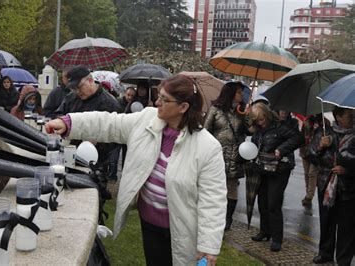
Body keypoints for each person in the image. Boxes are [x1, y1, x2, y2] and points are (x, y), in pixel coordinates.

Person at [45, 74, 227, 265]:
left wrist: (209, 246)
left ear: (183, 107)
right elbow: (109, 123)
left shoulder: (207, 147)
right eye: (159, 96)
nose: (157, 102)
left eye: (164, 99)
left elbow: (213, 201)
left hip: (180, 229)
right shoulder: (147, 119)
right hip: (149, 223)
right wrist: (68, 123)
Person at [248, 103, 303, 252]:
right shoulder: (257, 130)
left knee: (273, 203)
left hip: (279, 169)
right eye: (258, 120)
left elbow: (298, 138)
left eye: (262, 118)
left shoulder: (279, 126)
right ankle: (265, 231)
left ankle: (277, 239)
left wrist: (281, 150)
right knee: (262, 201)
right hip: (263, 168)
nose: (261, 122)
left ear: (267, 114)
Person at [55, 65, 122, 176]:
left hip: (97, 162)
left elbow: (117, 137)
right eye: (73, 88)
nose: (77, 91)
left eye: (79, 87)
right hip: (69, 156)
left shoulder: (110, 104)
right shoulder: (71, 98)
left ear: (90, 80)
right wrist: (60, 123)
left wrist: (98, 142)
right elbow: (59, 113)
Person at [310, 107, 354, 265]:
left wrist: (347, 170)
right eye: (350, 116)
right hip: (326, 184)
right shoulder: (325, 132)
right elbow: (312, 156)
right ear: (338, 117)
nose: (353, 119)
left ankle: (343, 260)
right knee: (327, 221)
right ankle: (325, 253)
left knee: (347, 227)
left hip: (349, 188)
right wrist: (321, 146)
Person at [204, 81, 248, 231]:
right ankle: (213, 216)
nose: (242, 95)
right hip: (217, 156)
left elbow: (250, 131)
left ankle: (227, 218)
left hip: (235, 157)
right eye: (239, 92)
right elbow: (205, 131)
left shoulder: (242, 112)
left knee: (231, 188)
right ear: (231, 94)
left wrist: (249, 117)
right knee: (214, 188)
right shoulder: (215, 110)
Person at [299, 114, 327, 207]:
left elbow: (327, 134)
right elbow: (303, 135)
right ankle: (308, 194)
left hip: (316, 153)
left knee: (312, 173)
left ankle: (309, 196)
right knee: (307, 174)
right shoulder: (307, 121)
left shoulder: (324, 122)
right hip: (305, 151)